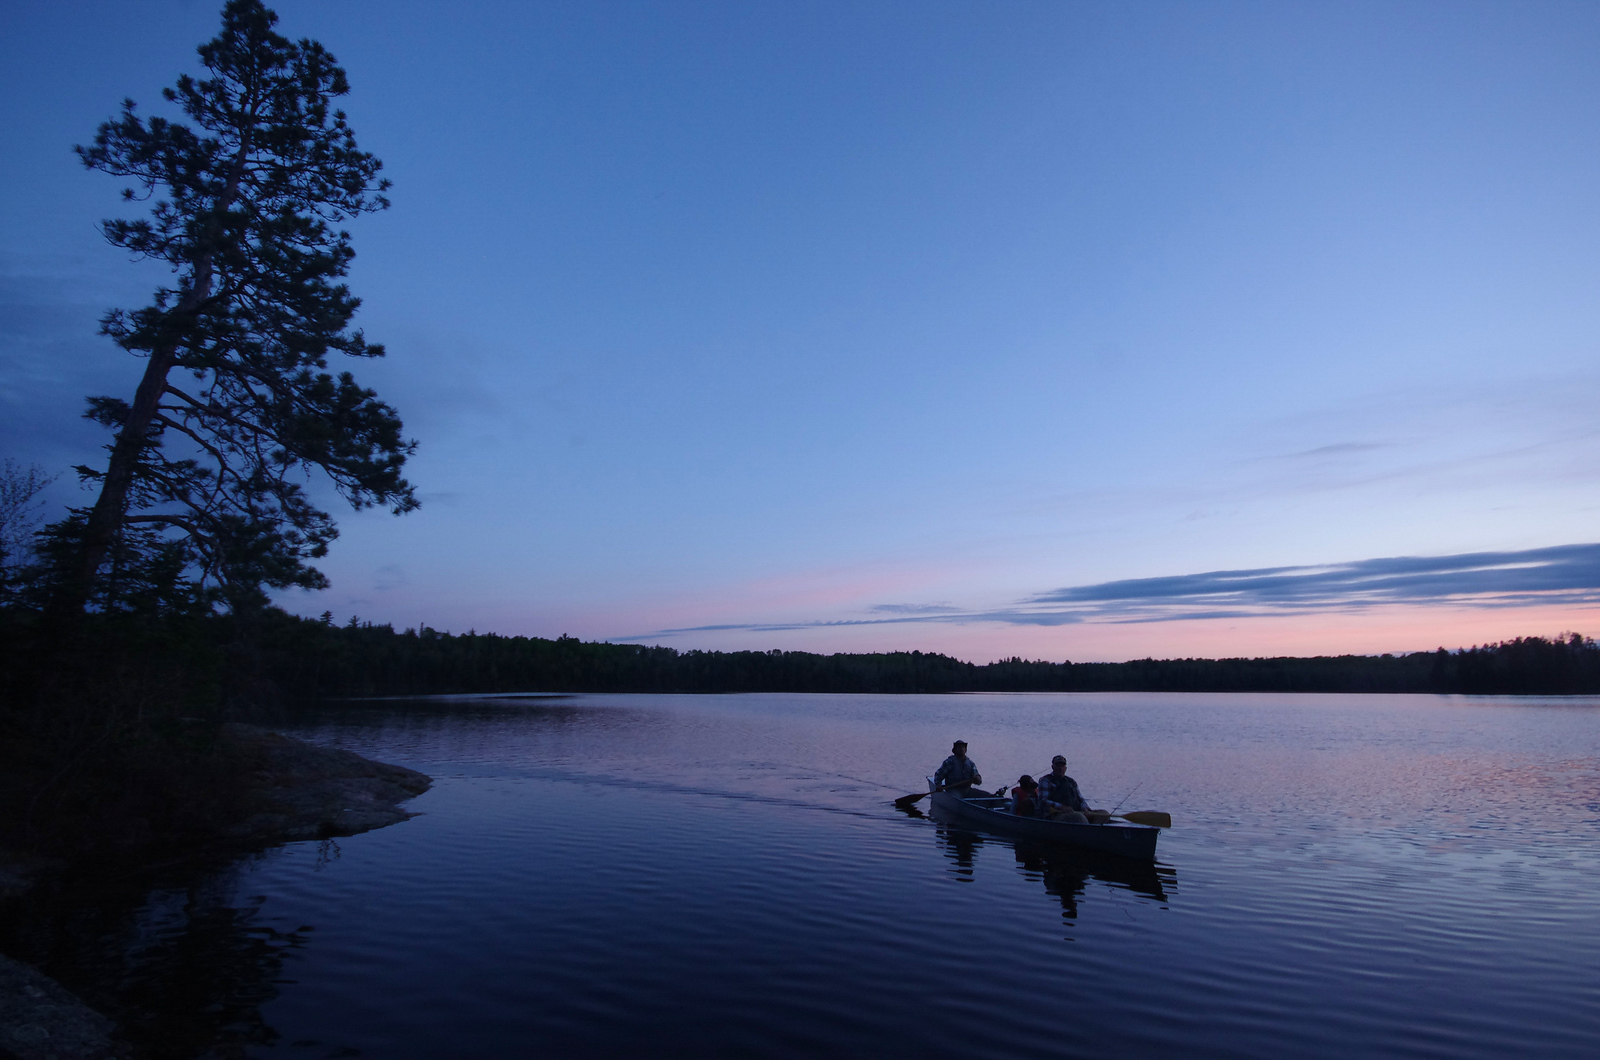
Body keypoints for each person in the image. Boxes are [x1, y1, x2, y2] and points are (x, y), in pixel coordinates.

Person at [1039, 754, 1109, 823]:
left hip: (1076, 812)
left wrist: (1084, 808)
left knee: (1104, 814)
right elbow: (1043, 801)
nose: (1060, 768)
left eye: (1062, 766)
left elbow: (1080, 799)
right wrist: (1061, 807)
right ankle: (1087, 830)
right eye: (1058, 765)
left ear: (1065, 768)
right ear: (1053, 767)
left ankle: (1094, 830)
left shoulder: (1071, 781)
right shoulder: (1046, 780)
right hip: (1056, 815)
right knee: (1079, 817)